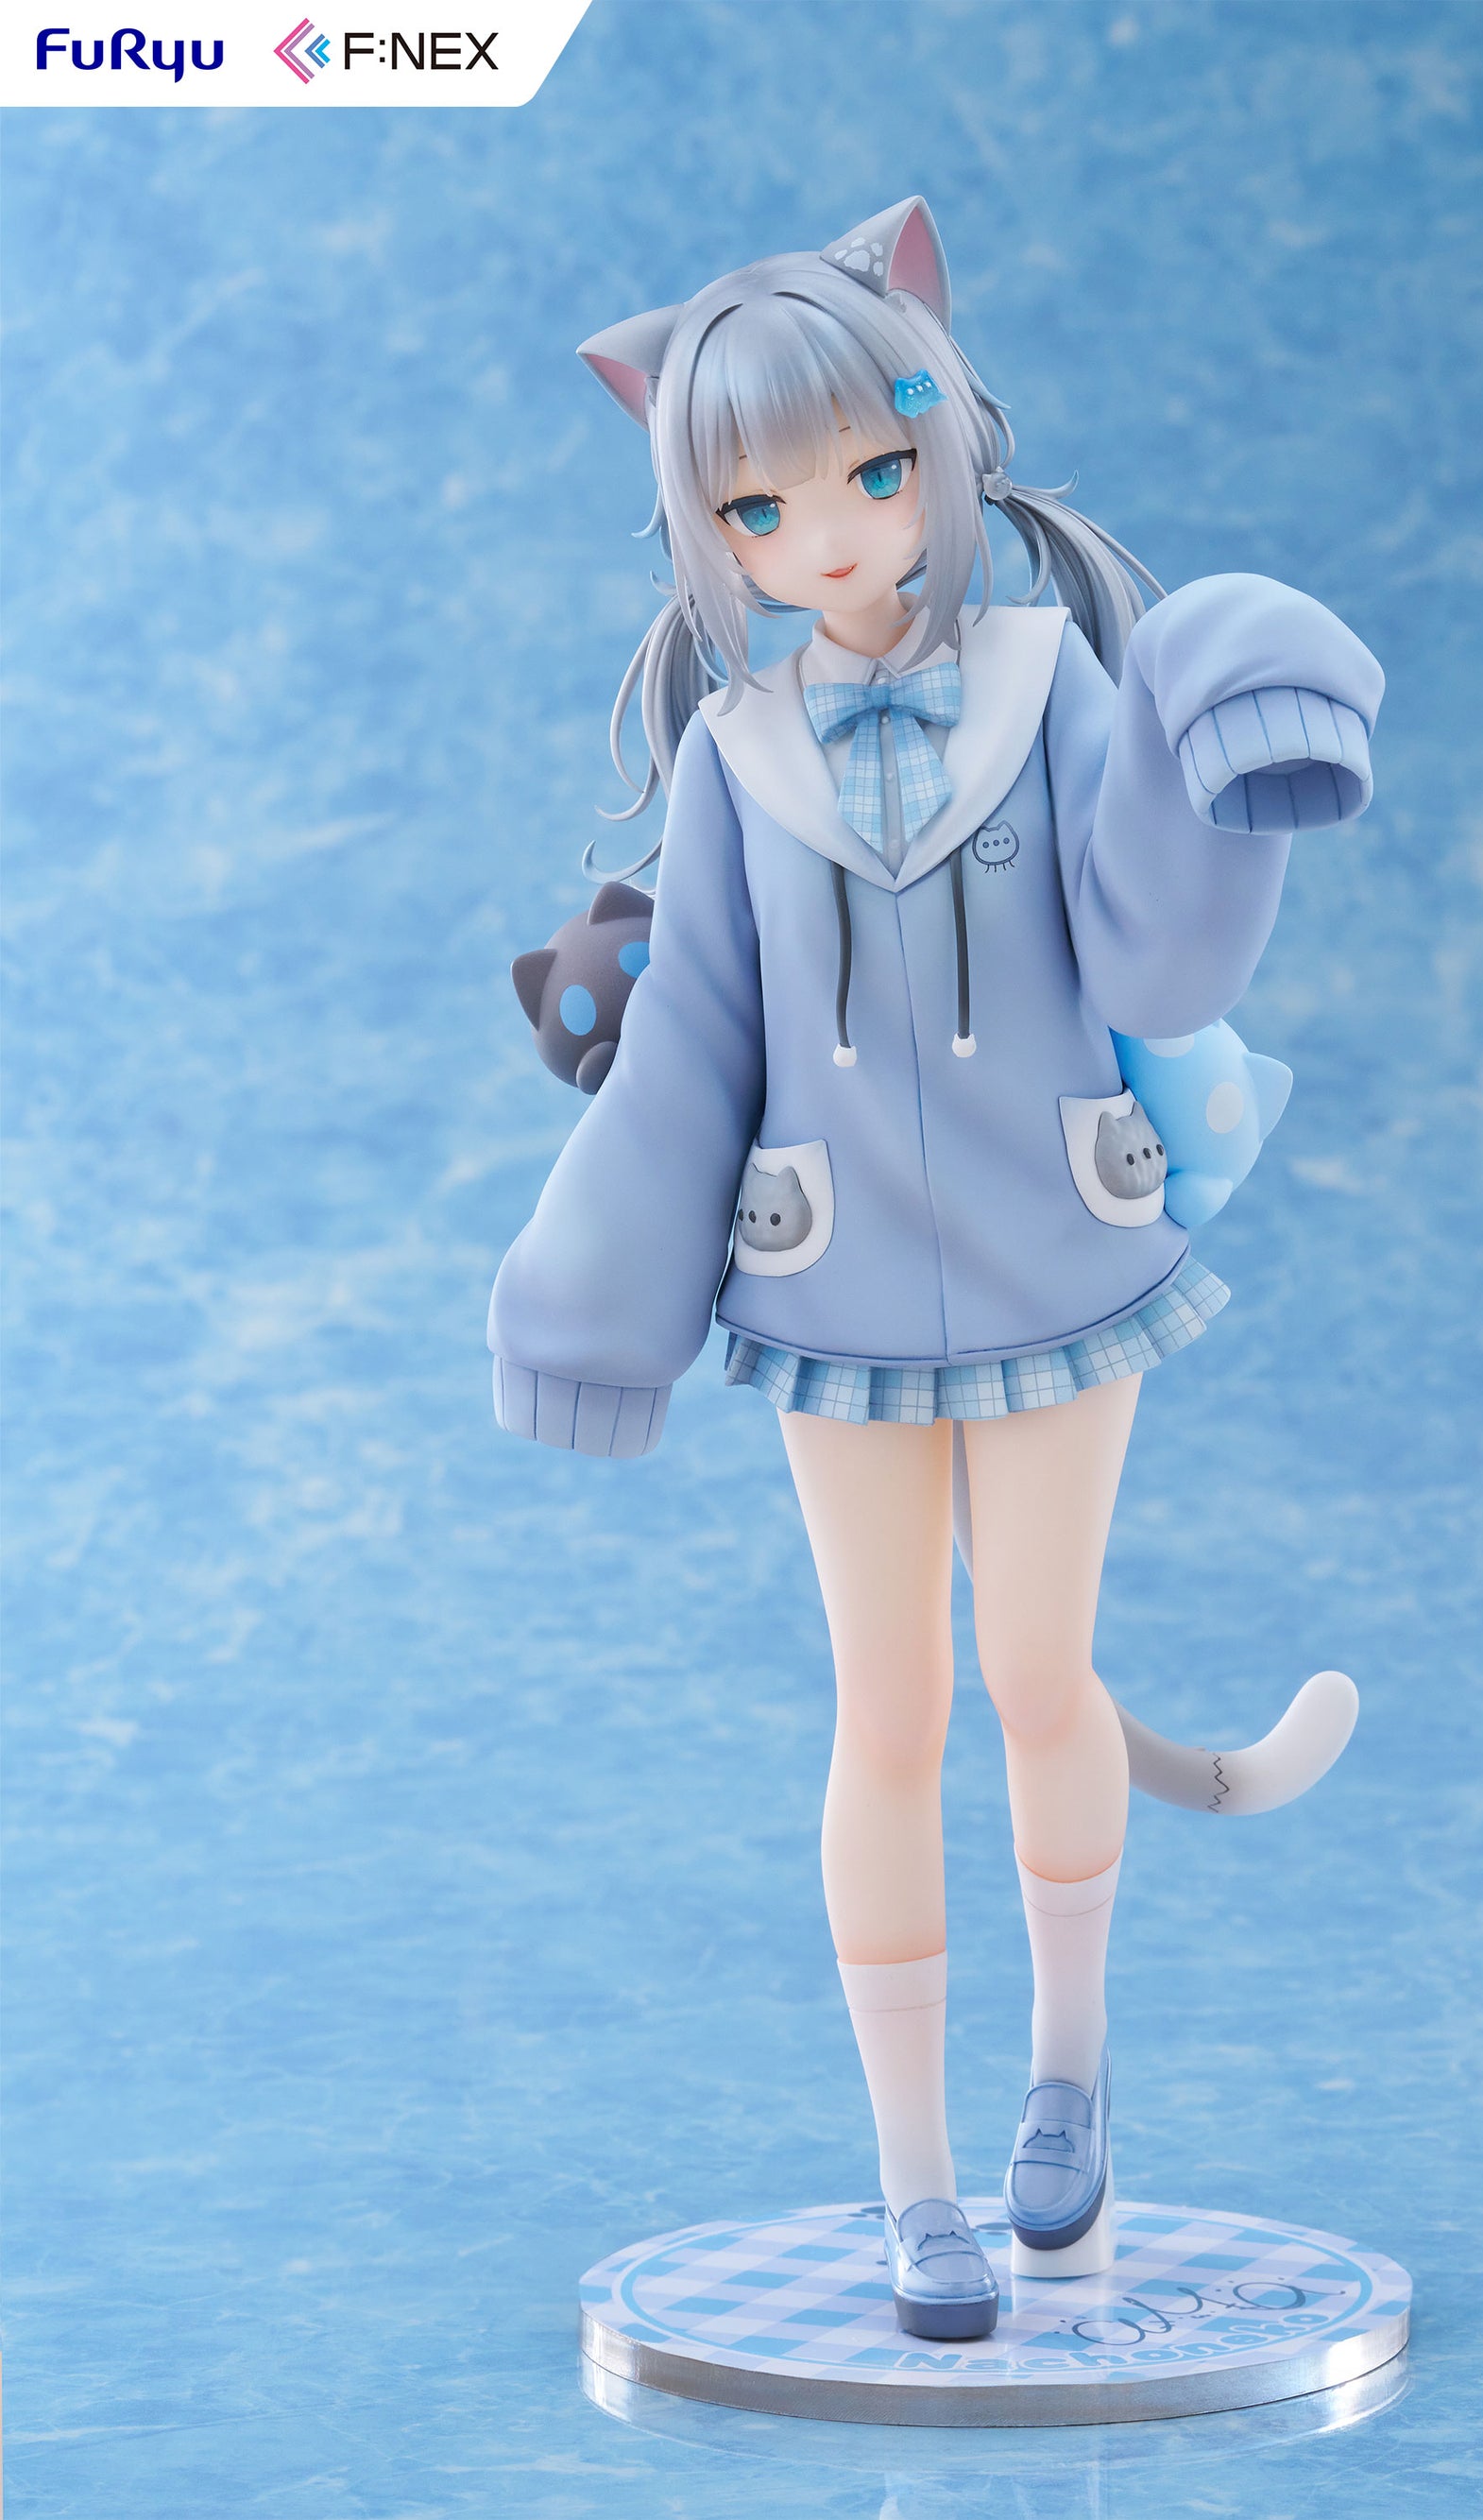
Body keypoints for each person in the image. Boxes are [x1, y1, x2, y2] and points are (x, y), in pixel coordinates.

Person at [489, 197, 1383, 2340]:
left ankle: (1068, 2079)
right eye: (764, 507)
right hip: (835, 1297)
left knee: (1035, 1675)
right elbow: (694, 1045)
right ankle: (914, 2182)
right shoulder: (737, 756)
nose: (835, 534)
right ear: (711, 526)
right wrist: (591, 1294)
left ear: (942, 442)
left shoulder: (1051, 684)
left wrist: (1219, 743)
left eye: (876, 471)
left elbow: (1150, 946)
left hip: (1063, 1253)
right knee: (885, 1709)